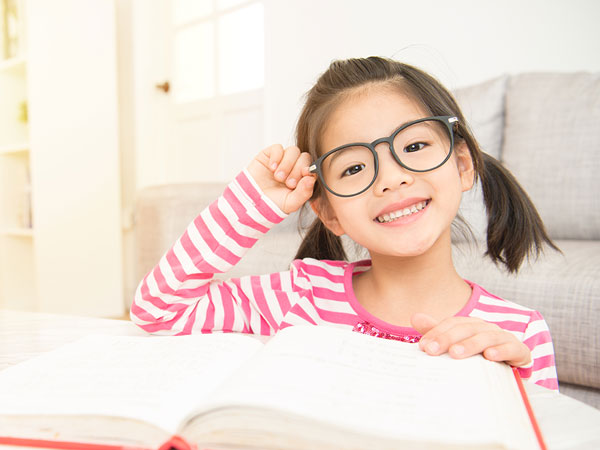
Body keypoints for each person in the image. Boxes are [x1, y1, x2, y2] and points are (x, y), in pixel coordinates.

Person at [131, 56, 559, 390]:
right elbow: (158, 310)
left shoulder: (518, 334)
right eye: (354, 168)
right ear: (329, 212)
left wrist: (511, 388)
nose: (392, 178)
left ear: (463, 165)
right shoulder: (299, 297)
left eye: (414, 145)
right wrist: (253, 202)